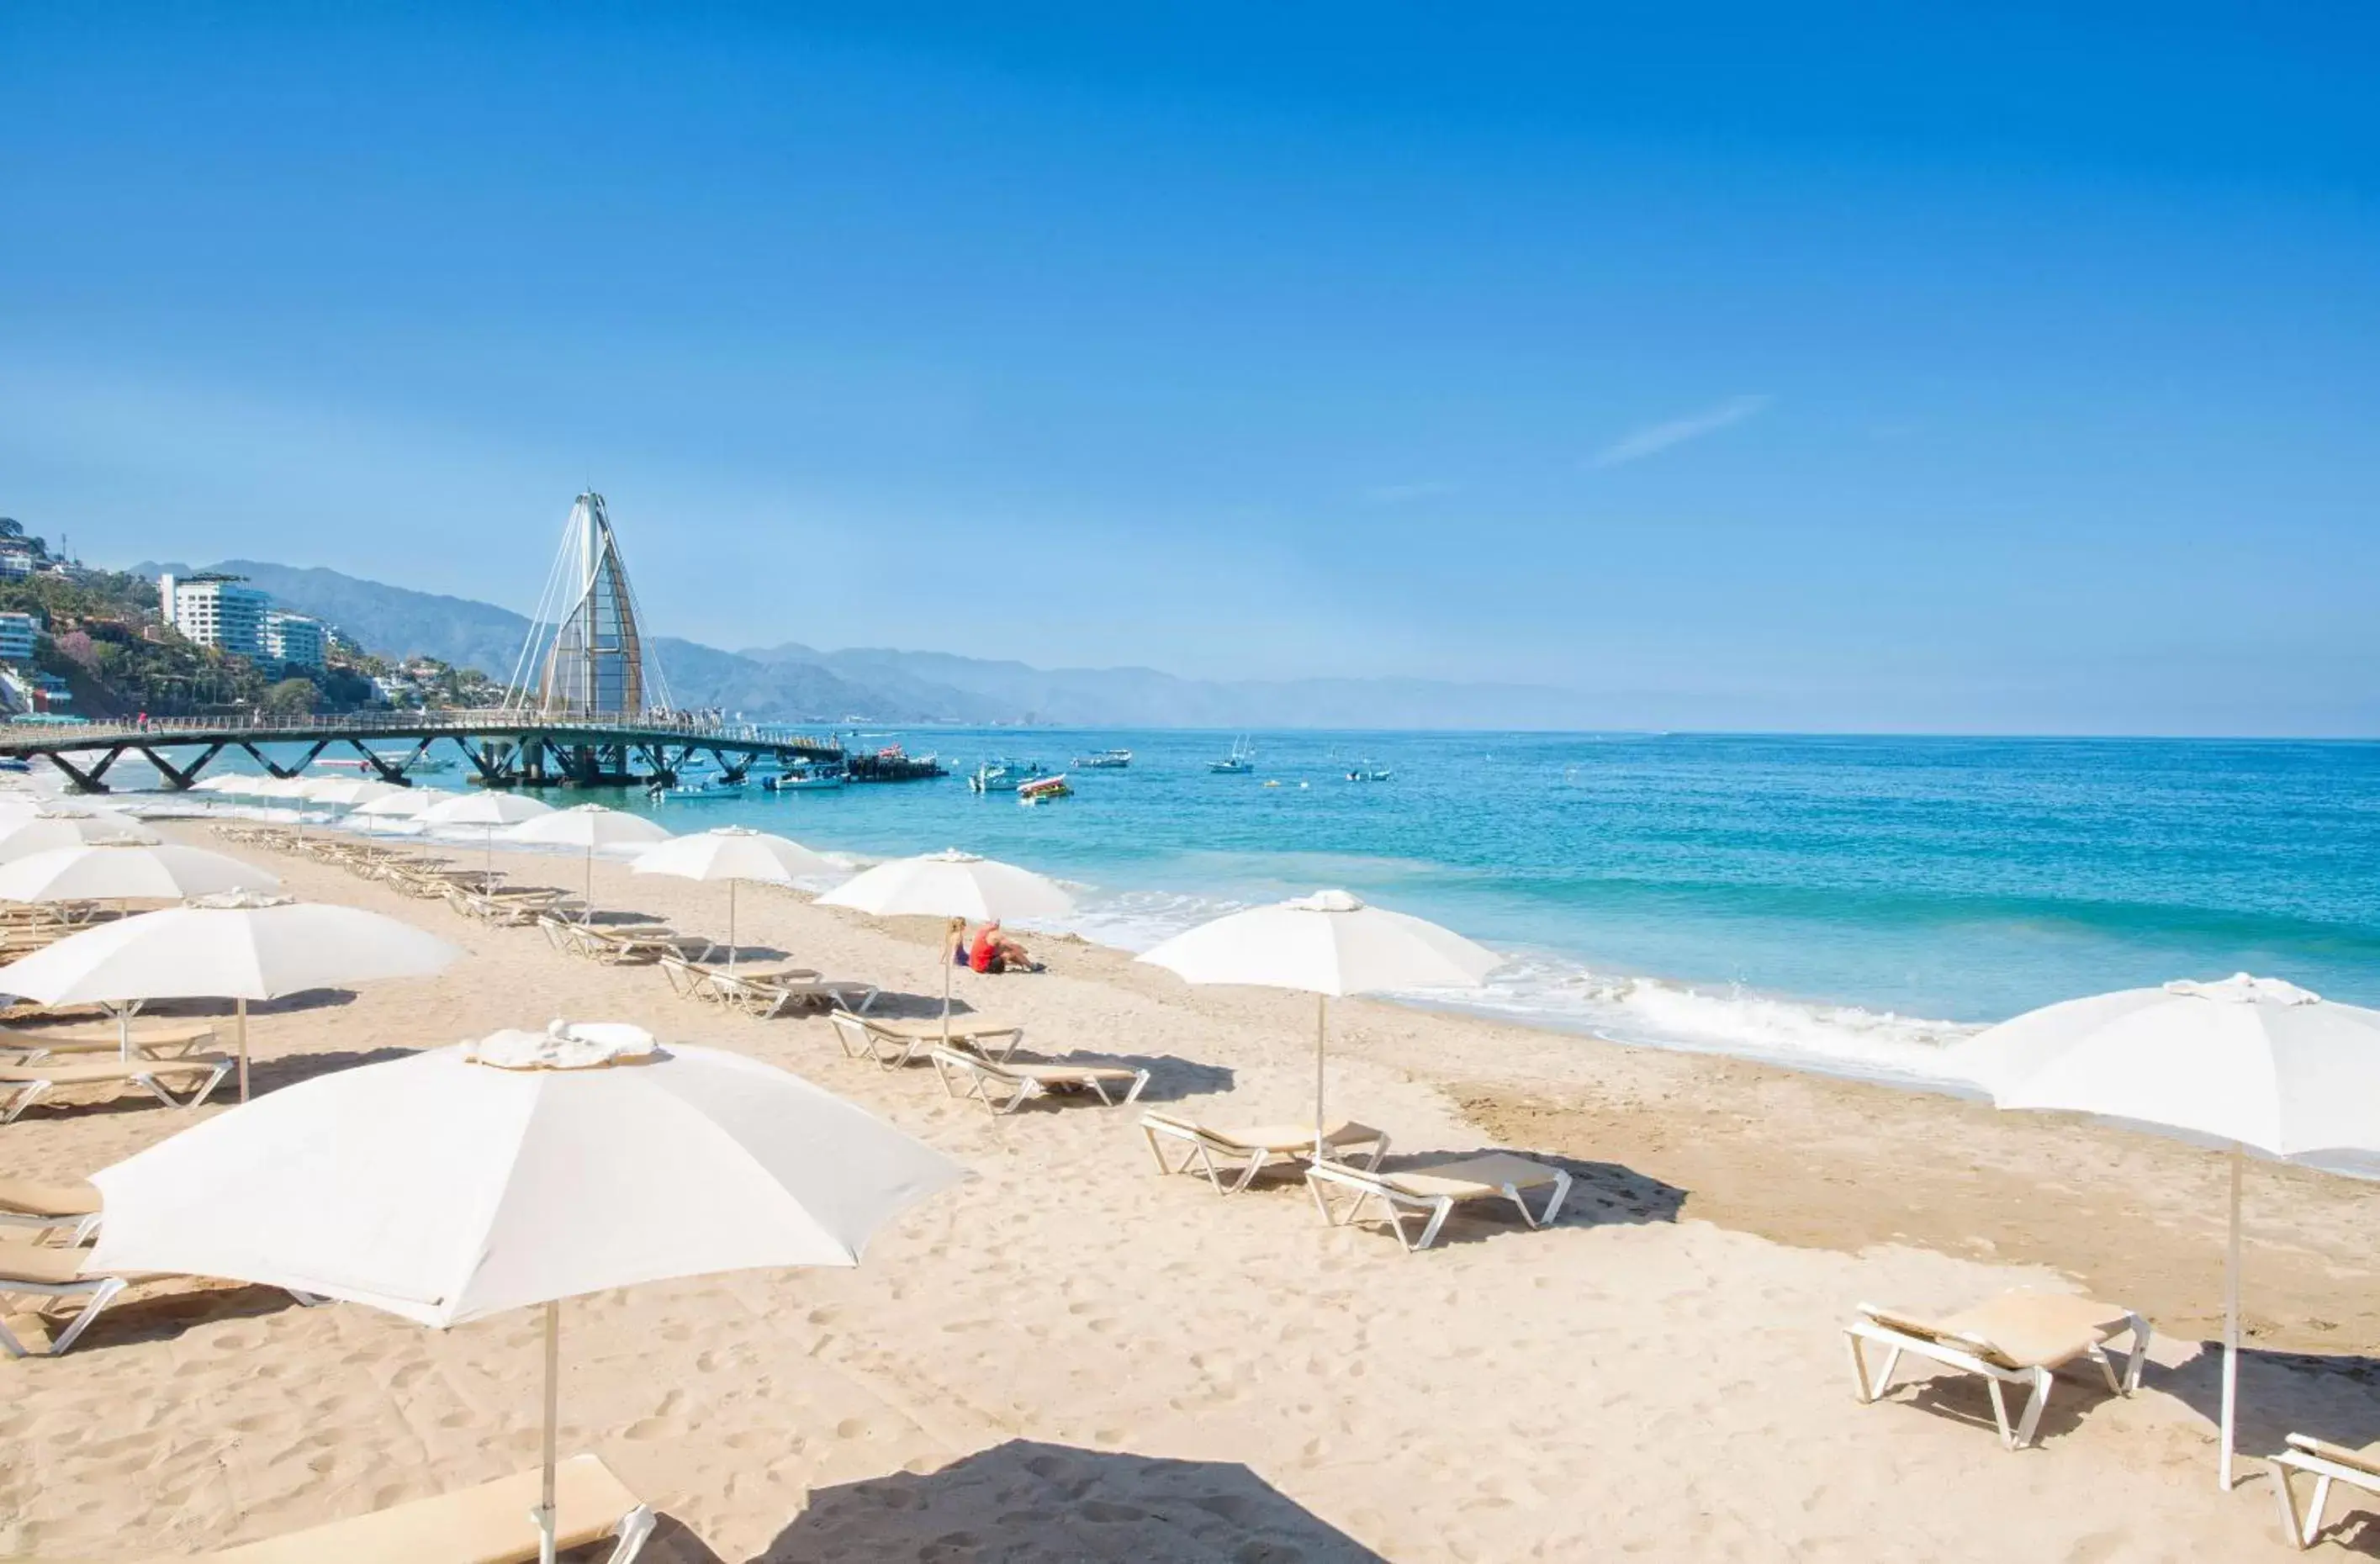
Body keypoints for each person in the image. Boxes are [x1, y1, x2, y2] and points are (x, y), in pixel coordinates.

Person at [966, 921, 1034, 975]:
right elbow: (1014, 946)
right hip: (983, 967)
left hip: (974, 964)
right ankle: (1031, 966)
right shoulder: (994, 935)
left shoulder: (982, 930)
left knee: (1003, 949)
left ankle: (1024, 964)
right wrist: (1025, 951)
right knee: (1011, 950)